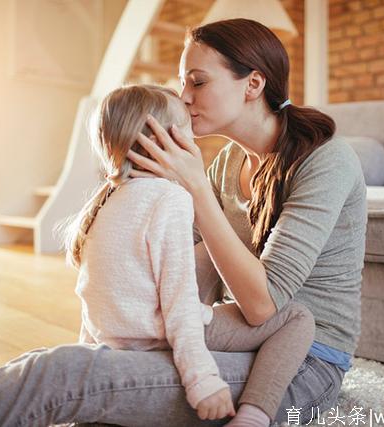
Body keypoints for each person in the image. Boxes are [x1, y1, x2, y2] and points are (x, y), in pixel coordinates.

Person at [0, 18, 366, 427]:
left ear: (253, 84)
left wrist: (196, 190)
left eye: (198, 82)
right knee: (66, 365)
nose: (183, 97)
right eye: (183, 82)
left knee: (63, 376)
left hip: (300, 363)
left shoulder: (325, 162)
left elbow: (266, 308)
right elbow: (173, 263)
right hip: (231, 337)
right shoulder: (226, 164)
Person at [63, 83, 315, 426]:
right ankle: (254, 417)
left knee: (210, 258)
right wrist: (203, 383)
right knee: (298, 319)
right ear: (162, 140)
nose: (193, 132)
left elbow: (92, 292)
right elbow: (178, 304)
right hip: (150, 334)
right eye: (184, 127)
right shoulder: (171, 199)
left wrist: (89, 365)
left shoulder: (106, 201)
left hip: (112, 332)